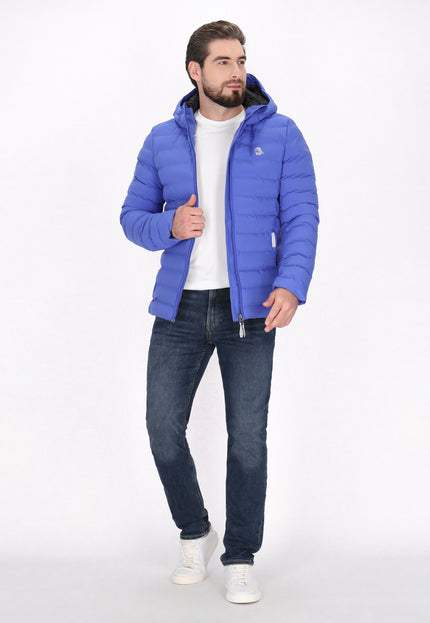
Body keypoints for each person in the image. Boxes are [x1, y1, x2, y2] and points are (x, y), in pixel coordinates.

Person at [120, 20, 319, 604]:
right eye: (224, 62)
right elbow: (132, 217)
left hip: (250, 309)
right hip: (180, 307)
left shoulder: (280, 133)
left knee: (247, 439)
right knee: (162, 428)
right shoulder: (162, 138)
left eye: (241, 60)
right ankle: (195, 531)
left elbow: (302, 215)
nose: (237, 72)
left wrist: (292, 284)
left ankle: (240, 556)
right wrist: (170, 225)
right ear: (196, 71)